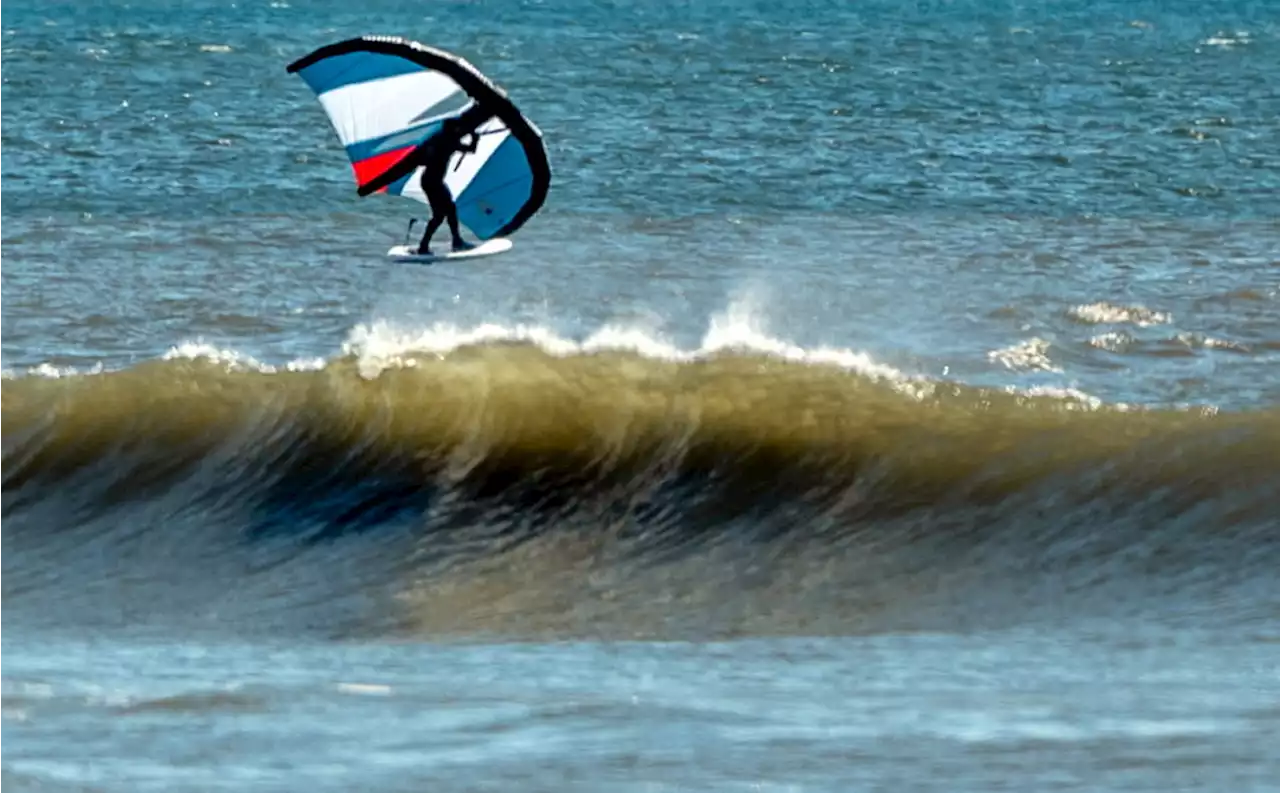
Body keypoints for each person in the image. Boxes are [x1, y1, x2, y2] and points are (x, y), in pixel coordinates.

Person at [408, 116, 480, 254]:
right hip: (433, 182)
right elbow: (471, 149)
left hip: (430, 180)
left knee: (446, 211)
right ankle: (447, 243)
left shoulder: (437, 138)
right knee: (442, 214)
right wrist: (474, 137)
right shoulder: (448, 142)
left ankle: (451, 241)